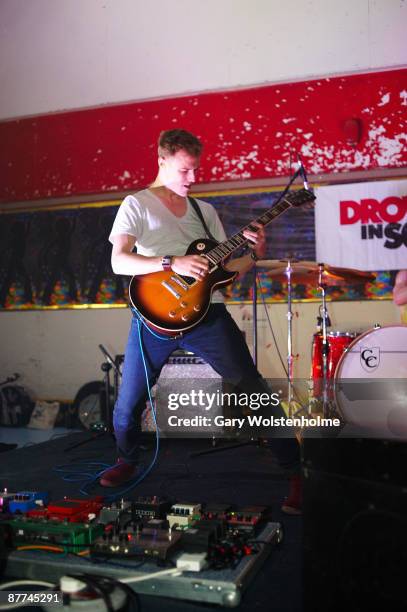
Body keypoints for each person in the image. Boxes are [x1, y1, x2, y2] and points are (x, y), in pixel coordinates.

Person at [103, 129, 302, 514]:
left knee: (252, 388)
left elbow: (226, 269)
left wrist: (256, 253)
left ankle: (295, 471)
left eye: (196, 170)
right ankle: (127, 459)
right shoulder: (136, 204)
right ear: (161, 160)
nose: (192, 178)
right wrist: (170, 262)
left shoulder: (203, 211)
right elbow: (119, 261)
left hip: (208, 315)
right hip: (153, 319)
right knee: (128, 403)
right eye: (184, 170)